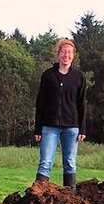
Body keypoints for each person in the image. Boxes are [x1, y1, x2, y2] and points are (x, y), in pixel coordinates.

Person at [33, 39, 87, 189]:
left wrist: (82, 128)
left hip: (71, 127)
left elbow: (82, 103)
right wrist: (38, 128)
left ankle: (70, 199)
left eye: (69, 52)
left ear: (73, 55)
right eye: (63, 52)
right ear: (58, 54)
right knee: (45, 163)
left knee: (70, 163)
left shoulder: (79, 77)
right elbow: (40, 102)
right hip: (49, 127)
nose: (66, 55)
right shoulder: (48, 75)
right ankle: (38, 196)